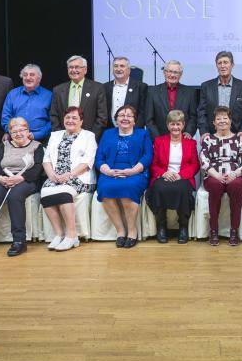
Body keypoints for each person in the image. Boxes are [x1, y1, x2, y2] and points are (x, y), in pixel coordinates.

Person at [0, 117, 44, 257]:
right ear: (10, 133)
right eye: (14, 131)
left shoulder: (37, 146)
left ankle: (19, 241)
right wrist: (0, 178)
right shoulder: (4, 145)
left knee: (15, 196)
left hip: (26, 180)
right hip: (4, 178)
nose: (18, 134)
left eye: (22, 130)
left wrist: (20, 178)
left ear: (28, 131)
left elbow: (38, 169)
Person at [94, 105, 153, 249]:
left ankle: (132, 231)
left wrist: (133, 171)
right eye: (121, 115)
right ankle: (120, 231)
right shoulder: (107, 134)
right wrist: (106, 170)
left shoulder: (143, 134)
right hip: (111, 172)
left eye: (129, 116)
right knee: (105, 188)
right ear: (116, 120)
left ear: (134, 121)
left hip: (135, 172)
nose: (125, 118)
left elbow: (148, 156)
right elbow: (99, 157)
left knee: (128, 187)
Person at [41, 106, 98, 252]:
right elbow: (46, 158)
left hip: (79, 176)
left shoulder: (88, 136)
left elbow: (87, 162)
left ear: (81, 121)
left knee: (63, 192)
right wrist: (51, 174)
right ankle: (59, 234)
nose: (70, 120)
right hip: (56, 175)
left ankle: (72, 236)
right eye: (67, 118)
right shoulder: (55, 135)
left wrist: (69, 175)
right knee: (45, 192)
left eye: (74, 118)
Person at [147, 110, 200, 244]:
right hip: (163, 176)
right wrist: (163, 173)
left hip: (183, 178)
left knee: (182, 189)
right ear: (167, 125)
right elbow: (153, 164)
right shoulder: (159, 141)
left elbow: (195, 165)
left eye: (178, 124)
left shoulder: (191, 143)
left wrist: (180, 175)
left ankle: (183, 226)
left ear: (183, 125)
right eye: (172, 124)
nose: (175, 127)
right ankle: (161, 226)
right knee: (158, 188)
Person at [199, 106, 242, 246]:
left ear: (230, 121)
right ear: (213, 122)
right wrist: (216, 175)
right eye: (218, 118)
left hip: (234, 174)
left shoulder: (238, 139)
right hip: (214, 175)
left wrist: (235, 174)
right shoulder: (208, 139)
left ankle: (234, 230)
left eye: (225, 118)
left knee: (237, 185)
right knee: (215, 185)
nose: (222, 121)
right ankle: (213, 230)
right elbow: (203, 160)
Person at [197, 51, 242, 141]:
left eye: (225, 62)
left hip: (237, 138)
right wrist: (204, 132)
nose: (222, 66)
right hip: (211, 137)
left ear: (232, 65)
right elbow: (202, 112)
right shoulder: (206, 86)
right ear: (216, 66)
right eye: (219, 63)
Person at [50, 55, 108, 140]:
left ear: (85, 70)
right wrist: (62, 137)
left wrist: (90, 137)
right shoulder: (58, 90)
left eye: (77, 67)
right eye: (70, 67)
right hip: (64, 138)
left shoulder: (98, 88)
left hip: (89, 139)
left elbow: (102, 117)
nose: (73, 70)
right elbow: (54, 116)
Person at [145, 60, 198, 139]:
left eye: (176, 72)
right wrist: (157, 138)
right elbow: (149, 119)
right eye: (169, 71)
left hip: (183, 139)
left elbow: (193, 117)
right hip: (160, 139)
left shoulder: (190, 92)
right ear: (164, 72)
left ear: (181, 74)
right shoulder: (152, 92)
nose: (172, 75)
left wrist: (189, 132)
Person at [1, 64, 52, 142]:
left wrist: (37, 135)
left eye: (32, 75)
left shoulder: (49, 96)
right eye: (25, 75)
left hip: (41, 140)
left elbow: (52, 121)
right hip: (15, 139)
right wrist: (12, 132)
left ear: (39, 78)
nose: (28, 78)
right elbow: (5, 117)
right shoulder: (12, 94)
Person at [105, 56, 147, 129]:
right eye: (115, 66)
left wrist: (134, 130)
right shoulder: (105, 87)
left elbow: (143, 113)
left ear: (129, 70)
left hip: (134, 132)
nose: (118, 69)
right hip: (111, 132)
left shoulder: (141, 87)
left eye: (122, 66)